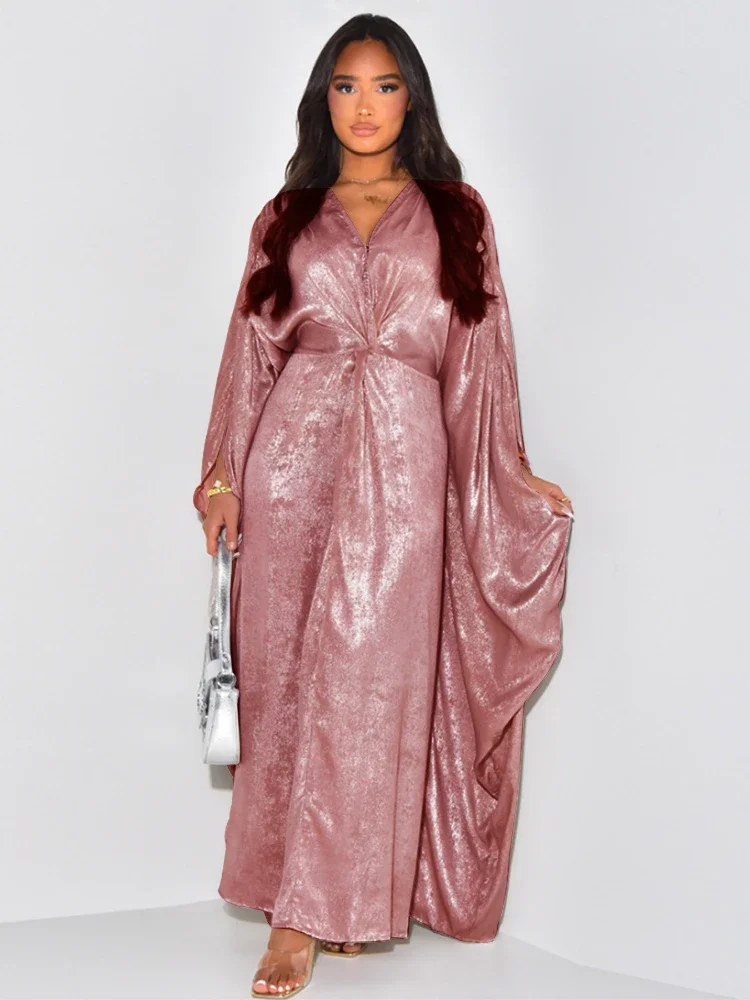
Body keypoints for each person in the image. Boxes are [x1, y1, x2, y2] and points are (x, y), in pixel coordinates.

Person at [192, 13, 574, 998]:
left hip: (404, 470)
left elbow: (482, 359)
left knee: (371, 688)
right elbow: (250, 353)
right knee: (284, 677)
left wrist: (511, 471)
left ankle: (345, 897)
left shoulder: (458, 214)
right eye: (347, 86)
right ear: (324, 100)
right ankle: (296, 914)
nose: (365, 106)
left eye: (385, 85)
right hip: (291, 465)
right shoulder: (285, 215)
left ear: (413, 100)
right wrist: (224, 476)